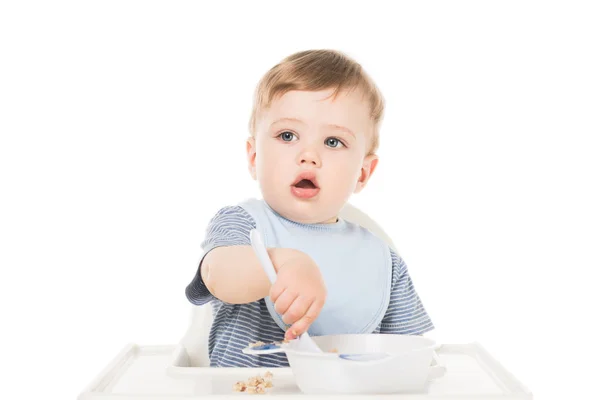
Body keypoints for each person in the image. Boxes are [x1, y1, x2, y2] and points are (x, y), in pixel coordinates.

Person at [186, 49, 434, 367]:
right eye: (287, 135)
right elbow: (218, 275)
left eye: (333, 142)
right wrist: (285, 262)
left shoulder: (383, 260)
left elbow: (411, 355)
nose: (309, 155)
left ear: (362, 173)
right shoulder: (243, 223)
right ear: (254, 158)